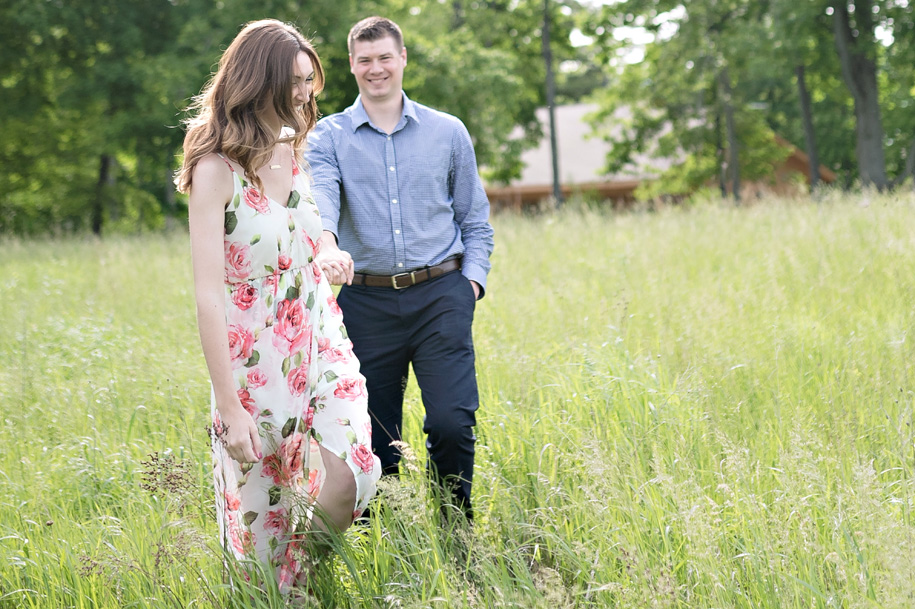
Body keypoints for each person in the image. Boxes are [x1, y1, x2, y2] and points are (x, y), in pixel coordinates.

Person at [175, 19, 379, 592]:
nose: (304, 93)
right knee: (261, 542)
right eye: (294, 80)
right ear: (257, 77)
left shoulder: (295, 148)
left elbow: (308, 233)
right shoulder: (215, 168)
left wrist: (330, 255)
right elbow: (207, 294)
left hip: (319, 339)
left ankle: (306, 573)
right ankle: (285, 594)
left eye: (309, 81)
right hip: (253, 363)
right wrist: (228, 404)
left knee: (356, 475)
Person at [305, 16, 494, 519]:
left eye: (385, 57)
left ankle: (457, 534)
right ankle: (390, 545)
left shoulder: (447, 131)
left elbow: (474, 216)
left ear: (403, 58)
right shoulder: (327, 137)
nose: (376, 69)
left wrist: (470, 284)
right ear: (351, 65)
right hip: (365, 301)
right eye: (365, 60)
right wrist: (325, 241)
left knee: (453, 422)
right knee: (375, 435)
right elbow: (320, 196)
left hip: (441, 295)